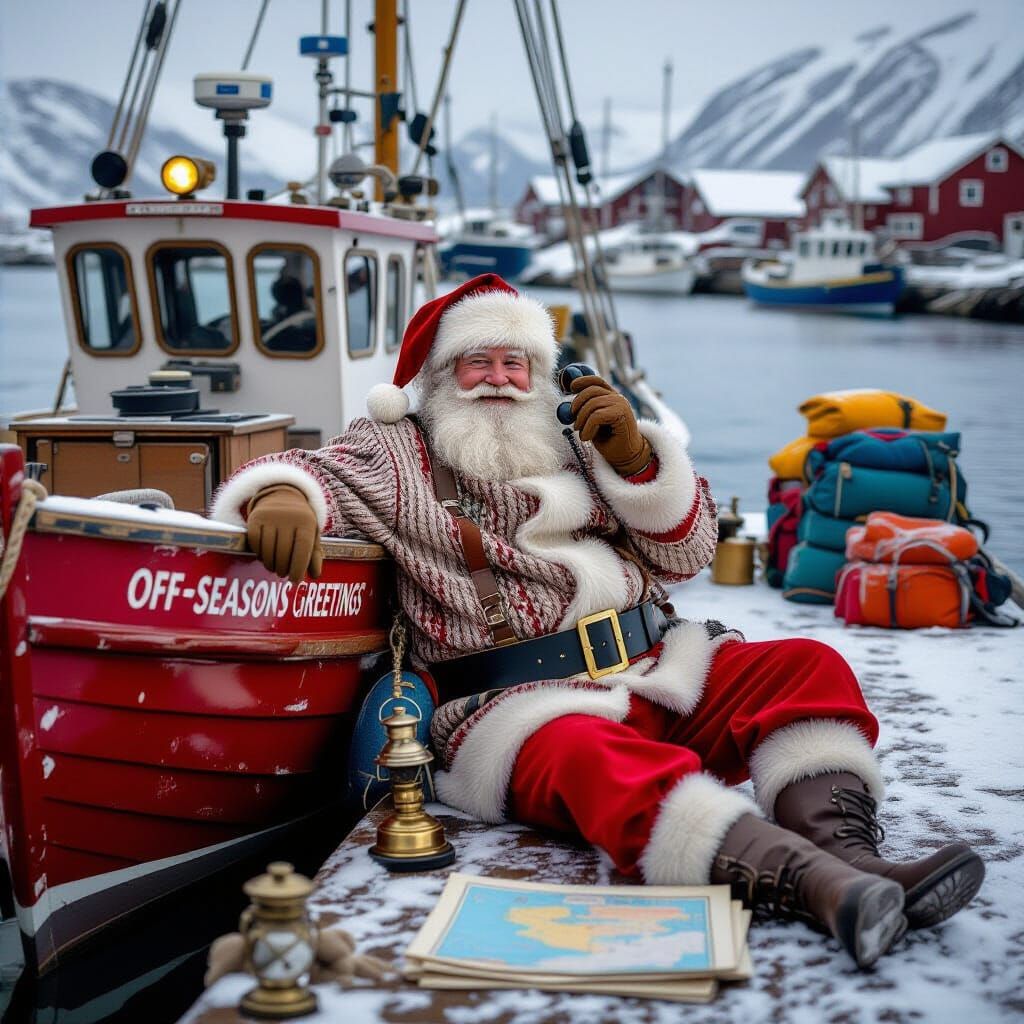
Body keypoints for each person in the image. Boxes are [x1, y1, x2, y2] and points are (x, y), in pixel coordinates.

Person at [210, 273, 983, 969]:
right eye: (479, 362)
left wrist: (640, 460)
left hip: (659, 669)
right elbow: (306, 468)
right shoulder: (393, 446)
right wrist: (277, 494)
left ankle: (852, 853)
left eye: (517, 364)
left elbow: (686, 554)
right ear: (440, 376)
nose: (499, 380)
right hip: (515, 709)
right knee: (592, 756)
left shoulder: (577, 438)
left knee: (805, 668)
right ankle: (815, 886)